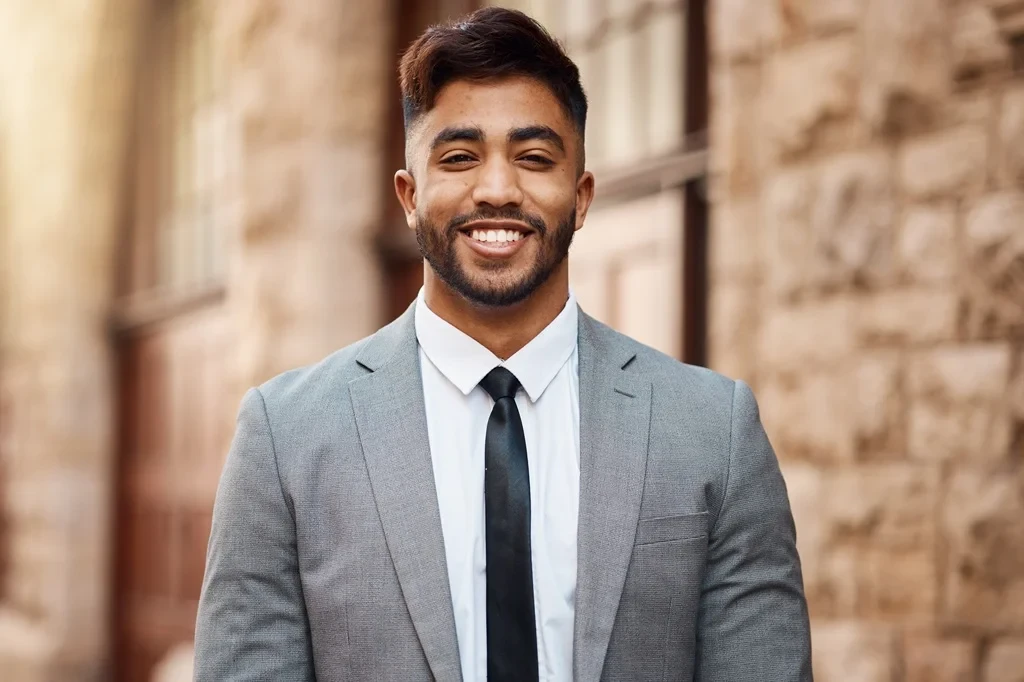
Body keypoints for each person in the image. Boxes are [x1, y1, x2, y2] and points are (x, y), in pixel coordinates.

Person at [193, 7, 812, 681]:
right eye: (459, 157)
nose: (496, 189)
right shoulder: (284, 437)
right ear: (408, 194)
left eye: (534, 157)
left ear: (580, 196)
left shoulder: (713, 430)